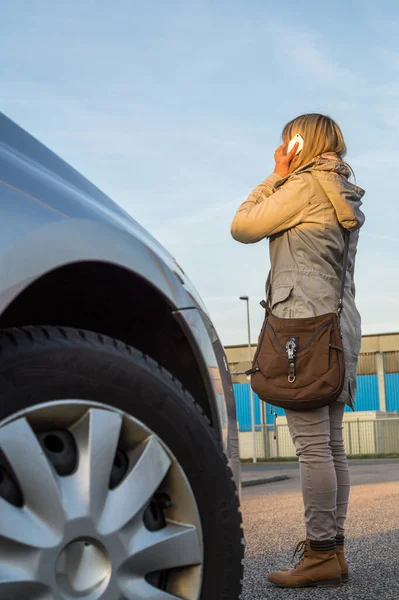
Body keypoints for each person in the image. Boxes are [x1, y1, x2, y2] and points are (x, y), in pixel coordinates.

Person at [231, 113, 365, 588]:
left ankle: (321, 553)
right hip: (336, 326)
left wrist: (276, 174)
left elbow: (242, 226)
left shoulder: (305, 187)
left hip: (303, 329)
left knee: (313, 447)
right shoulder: (339, 189)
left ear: (298, 142)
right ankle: (333, 551)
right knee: (330, 446)